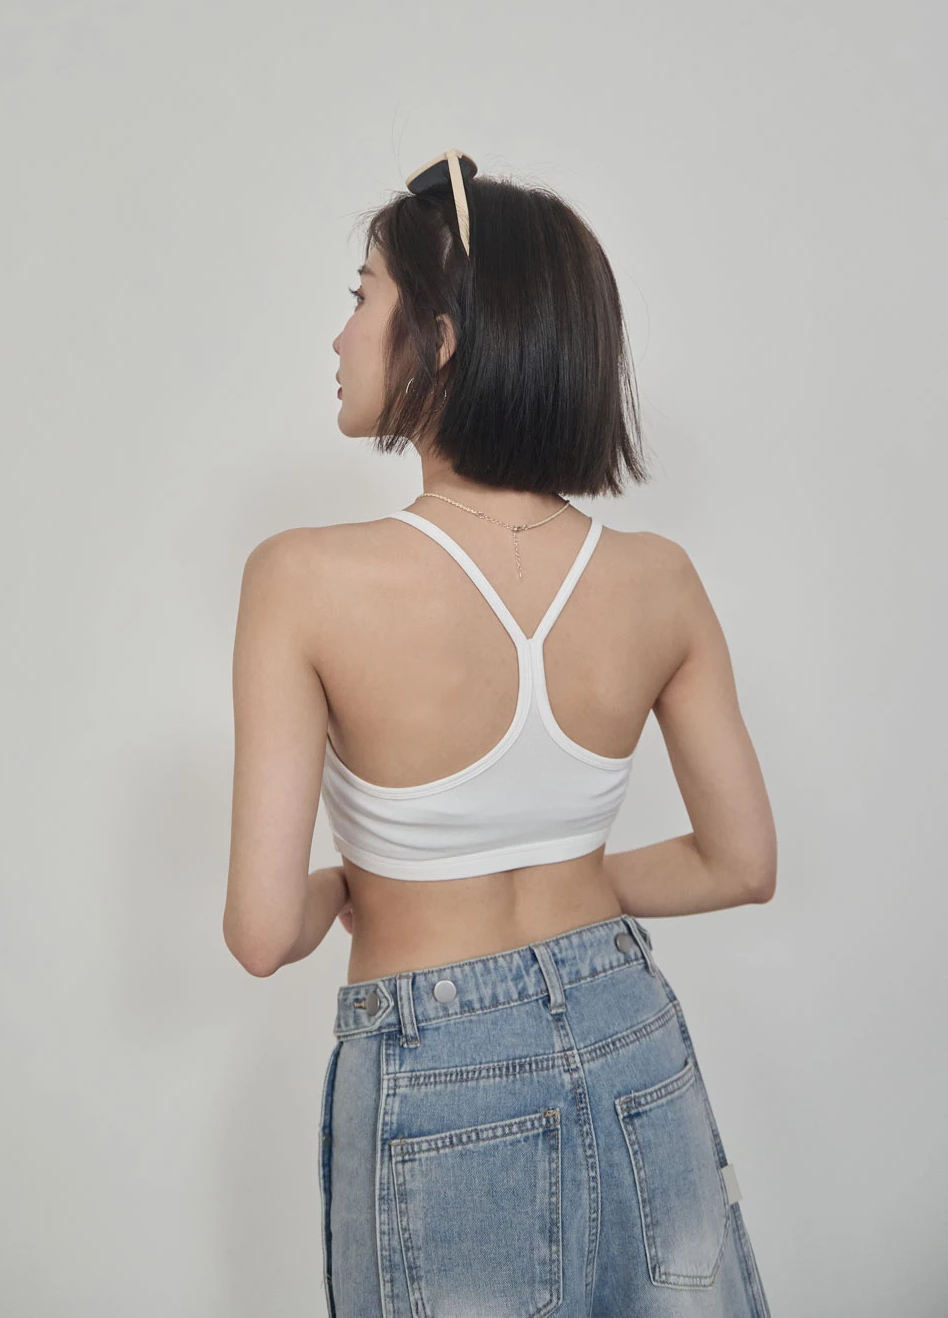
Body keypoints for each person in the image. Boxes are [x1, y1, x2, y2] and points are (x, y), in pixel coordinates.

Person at [223, 150, 776, 1317]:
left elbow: (263, 933)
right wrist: (570, 887)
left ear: (439, 337)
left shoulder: (303, 578)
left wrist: (351, 887)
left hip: (438, 1064)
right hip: (632, 1027)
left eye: (361, 296)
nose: (339, 334)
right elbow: (739, 863)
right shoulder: (659, 580)